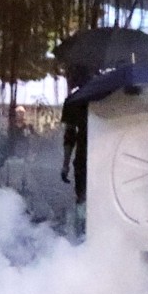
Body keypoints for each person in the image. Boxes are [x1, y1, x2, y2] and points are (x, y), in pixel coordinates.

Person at [60, 64, 94, 235]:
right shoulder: (104, 96)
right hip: (102, 156)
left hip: (83, 156)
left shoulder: (73, 101)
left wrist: (65, 164)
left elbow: (69, 135)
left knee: (82, 198)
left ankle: (82, 234)